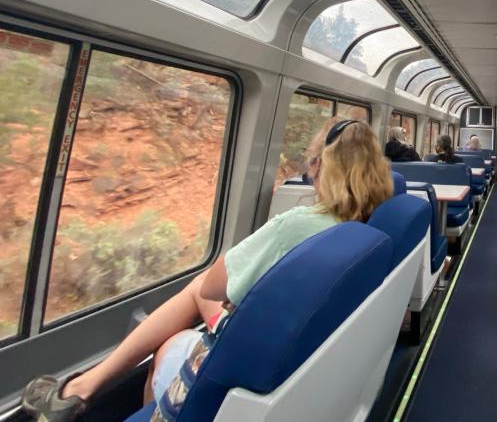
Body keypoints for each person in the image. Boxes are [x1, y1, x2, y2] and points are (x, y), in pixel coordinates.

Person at [21, 119, 393, 422]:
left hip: (246, 364)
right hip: (304, 354)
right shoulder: (374, 227)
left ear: (319, 167)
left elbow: (217, 285)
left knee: (182, 320)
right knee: (196, 292)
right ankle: (83, 388)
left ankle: (85, 390)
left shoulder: (298, 223)